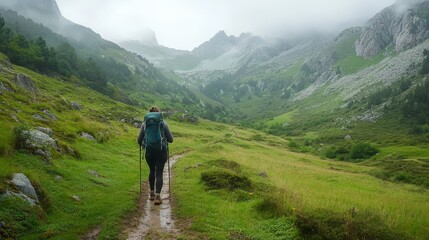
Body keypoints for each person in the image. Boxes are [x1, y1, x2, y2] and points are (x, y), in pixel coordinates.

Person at [137, 106, 173, 205]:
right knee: (159, 173)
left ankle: (151, 194)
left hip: (149, 152)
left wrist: (145, 144)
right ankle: (158, 197)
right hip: (161, 152)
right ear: (159, 114)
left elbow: (139, 141)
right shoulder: (163, 123)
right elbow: (171, 140)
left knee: (152, 171)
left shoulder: (145, 124)